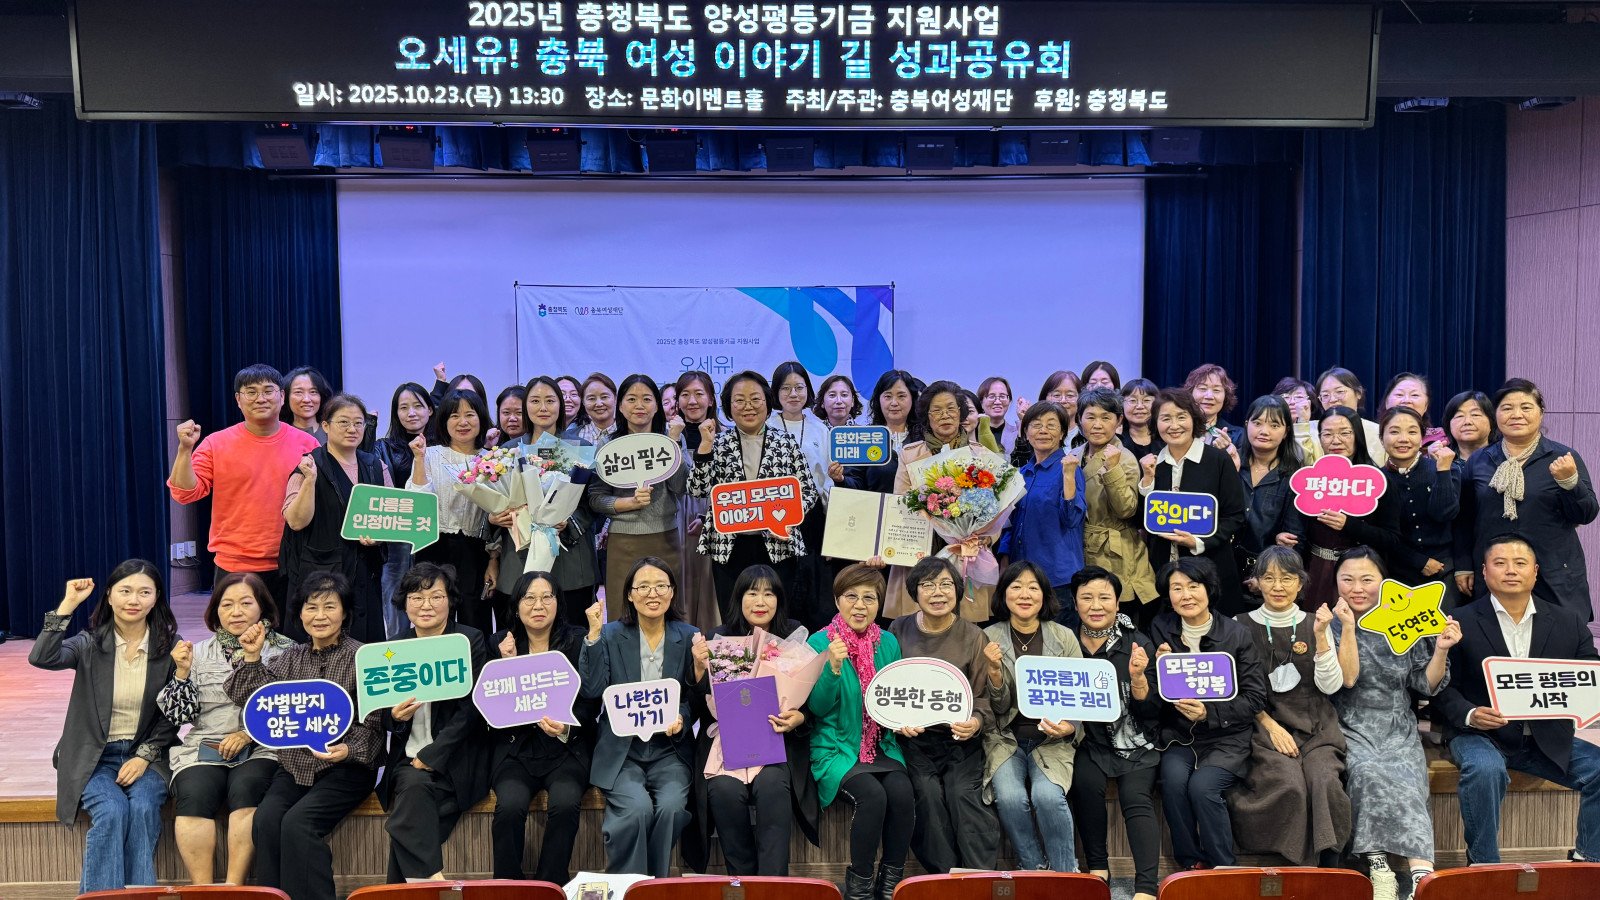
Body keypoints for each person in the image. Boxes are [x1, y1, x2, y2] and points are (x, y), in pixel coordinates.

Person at [1434, 536, 1600, 864]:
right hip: (1480, 735)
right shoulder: (1457, 620)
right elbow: (1439, 687)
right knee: (1485, 769)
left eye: (1520, 563)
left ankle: (1587, 861)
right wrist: (1470, 713)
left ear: (1535, 572)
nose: (1511, 570)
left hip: (1545, 738)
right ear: (1484, 572)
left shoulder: (1569, 622)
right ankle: (1484, 866)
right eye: (1500, 563)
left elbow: (1589, 675)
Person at [226, 571, 385, 900]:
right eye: (311, 607)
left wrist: (347, 750)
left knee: (299, 824)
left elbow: (375, 724)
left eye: (330, 607)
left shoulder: (363, 658)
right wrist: (252, 656)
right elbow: (250, 700)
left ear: (345, 613)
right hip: (295, 766)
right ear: (299, 614)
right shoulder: (289, 657)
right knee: (267, 820)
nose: (320, 616)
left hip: (346, 769)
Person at [30, 560, 179, 893]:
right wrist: (68, 604)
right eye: (125, 591)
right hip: (93, 757)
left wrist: (143, 756)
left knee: (143, 808)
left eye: (144, 592)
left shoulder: (169, 646)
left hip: (149, 756)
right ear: (109, 595)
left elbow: (172, 714)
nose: (134, 600)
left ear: (156, 598)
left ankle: (139, 897)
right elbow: (42, 657)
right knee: (111, 810)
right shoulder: (90, 643)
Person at [1329, 547, 1459, 900]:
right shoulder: (1329, 623)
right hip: (1347, 722)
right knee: (1365, 772)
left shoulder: (1406, 620)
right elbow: (1342, 682)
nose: (1357, 588)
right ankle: (1378, 867)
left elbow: (1425, 685)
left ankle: (1422, 875)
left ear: (1384, 582)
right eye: (1348, 579)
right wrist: (1347, 628)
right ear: (1336, 581)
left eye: (1367, 579)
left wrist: (1441, 649)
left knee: (1409, 776)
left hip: (1397, 721)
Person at [158, 573, 294, 885]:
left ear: (262, 606)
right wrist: (181, 673)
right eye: (227, 604)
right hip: (206, 745)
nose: (236, 612)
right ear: (215, 610)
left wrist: (248, 734)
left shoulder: (287, 651)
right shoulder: (197, 651)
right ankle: (204, 890)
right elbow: (179, 716)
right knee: (193, 793)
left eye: (246, 603)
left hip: (264, 746)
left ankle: (234, 887)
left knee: (247, 787)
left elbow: (290, 709)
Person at [1226, 548, 1353, 866]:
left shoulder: (1315, 622)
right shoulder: (1239, 625)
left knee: (1325, 781)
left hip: (1317, 725)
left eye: (1287, 578)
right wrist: (1269, 725)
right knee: (1288, 783)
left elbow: (1331, 686)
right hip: (1263, 725)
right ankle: (1284, 867)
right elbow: (1235, 690)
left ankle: (1329, 870)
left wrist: (1321, 637)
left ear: (1300, 582)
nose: (1278, 586)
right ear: (1257, 583)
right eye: (1269, 578)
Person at [688, 565, 817, 875]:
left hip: (775, 741)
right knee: (723, 791)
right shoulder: (718, 637)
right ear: (738, 598)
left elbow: (812, 697)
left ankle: (773, 883)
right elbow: (695, 707)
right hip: (726, 744)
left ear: (779, 599)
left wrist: (799, 717)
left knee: (773, 786)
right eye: (752, 593)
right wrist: (699, 670)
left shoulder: (793, 636)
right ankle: (743, 879)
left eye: (769, 594)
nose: (760, 602)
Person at [578, 558, 699, 876]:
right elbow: (592, 689)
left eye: (661, 586)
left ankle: (652, 884)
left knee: (672, 808)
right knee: (636, 810)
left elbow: (693, 698)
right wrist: (593, 636)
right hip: (622, 751)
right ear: (630, 595)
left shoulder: (689, 636)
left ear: (672, 592)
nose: (652, 593)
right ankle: (631, 885)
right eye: (643, 586)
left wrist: (682, 718)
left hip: (669, 750)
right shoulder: (609, 634)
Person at [1147, 557, 1268, 871]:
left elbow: (1255, 698)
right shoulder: (1161, 628)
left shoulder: (1237, 634)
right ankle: (1191, 864)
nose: (1186, 595)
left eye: (1193, 586)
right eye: (1176, 588)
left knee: (1203, 788)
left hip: (1227, 737)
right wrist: (1155, 669)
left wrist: (1209, 712)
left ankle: (1223, 867)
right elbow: (1153, 691)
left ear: (1208, 589)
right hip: (1179, 735)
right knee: (1173, 783)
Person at [169, 363, 321, 605]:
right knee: (237, 629)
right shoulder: (216, 443)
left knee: (291, 631)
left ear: (282, 397)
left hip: (293, 560)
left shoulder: (308, 444)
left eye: (268, 391)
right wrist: (184, 449)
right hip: (234, 564)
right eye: (251, 392)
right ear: (238, 400)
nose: (260, 398)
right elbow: (185, 493)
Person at [378, 563, 490, 882]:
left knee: (409, 817)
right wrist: (395, 717)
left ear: (450, 600)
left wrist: (433, 755)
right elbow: (381, 713)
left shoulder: (468, 640)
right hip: (408, 760)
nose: (426, 605)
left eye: (436, 596)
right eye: (416, 597)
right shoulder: (393, 647)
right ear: (404, 603)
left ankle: (414, 887)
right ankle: (433, 882)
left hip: (456, 759)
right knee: (413, 790)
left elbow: (472, 709)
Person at [807, 564, 913, 900]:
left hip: (882, 745)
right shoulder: (819, 641)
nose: (860, 605)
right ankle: (860, 888)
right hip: (836, 747)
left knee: (902, 793)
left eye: (869, 598)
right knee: (873, 796)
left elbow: (894, 698)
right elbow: (817, 709)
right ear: (837, 600)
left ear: (879, 604)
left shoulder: (889, 642)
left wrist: (905, 721)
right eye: (851, 596)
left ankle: (890, 885)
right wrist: (833, 668)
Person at [889, 557, 1001, 872]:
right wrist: (897, 720)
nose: (938, 593)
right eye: (928, 585)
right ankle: (944, 877)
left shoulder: (974, 636)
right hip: (914, 740)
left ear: (957, 590)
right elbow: (887, 685)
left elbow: (982, 696)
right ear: (915, 592)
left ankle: (979, 876)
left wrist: (975, 722)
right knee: (925, 794)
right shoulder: (898, 629)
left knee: (962, 794)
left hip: (960, 739)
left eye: (946, 585)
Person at [1457, 378, 1597, 621]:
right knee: (1494, 636)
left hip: (1553, 571)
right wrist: (1463, 565)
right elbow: (1464, 519)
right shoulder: (1479, 460)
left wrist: (1569, 482)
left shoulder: (1563, 456)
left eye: (1526, 407)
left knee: (1559, 636)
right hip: (1496, 570)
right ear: (1496, 415)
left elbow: (1586, 514)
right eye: (1507, 408)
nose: (1516, 415)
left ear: (1540, 413)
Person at [488, 570, 595, 883]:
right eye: (529, 598)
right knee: (509, 807)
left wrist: (566, 726)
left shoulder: (578, 640)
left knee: (565, 803)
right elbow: (489, 705)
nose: (538, 605)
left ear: (558, 603)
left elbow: (591, 700)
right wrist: (506, 665)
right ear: (516, 606)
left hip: (566, 747)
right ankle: (507, 886)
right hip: (516, 748)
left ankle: (551, 883)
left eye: (547, 597)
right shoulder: (501, 642)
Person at [687, 370, 820, 620]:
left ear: (768, 403)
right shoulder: (717, 443)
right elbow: (697, 489)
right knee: (734, 618)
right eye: (739, 400)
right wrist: (704, 447)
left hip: (777, 543)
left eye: (755, 399)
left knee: (776, 618)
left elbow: (808, 491)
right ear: (728, 406)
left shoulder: (786, 443)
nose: (748, 406)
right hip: (731, 546)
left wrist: (788, 519)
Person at [980, 562, 1083, 872]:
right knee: (1010, 797)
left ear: (1044, 595)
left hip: (1052, 740)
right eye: (1016, 587)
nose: (1024, 594)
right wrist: (994, 672)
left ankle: (1066, 875)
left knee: (1047, 797)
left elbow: (1081, 695)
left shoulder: (1064, 636)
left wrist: (1069, 726)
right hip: (1005, 739)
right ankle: (1035, 870)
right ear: (1003, 594)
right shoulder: (988, 637)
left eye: (1033, 588)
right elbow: (997, 709)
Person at [1066, 567, 1161, 900]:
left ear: (1117, 603)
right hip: (1089, 741)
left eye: (1105, 598)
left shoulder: (1138, 642)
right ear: (1075, 603)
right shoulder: (1065, 642)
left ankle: (1146, 886)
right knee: (1084, 785)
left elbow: (1152, 710)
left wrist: (1138, 679)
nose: (1096, 605)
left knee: (1135, 797)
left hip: (1135, 740)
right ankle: (1098, 870)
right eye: (1087, 598)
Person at [281, 392, 391, 643]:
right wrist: (310, 481)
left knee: (365, 645)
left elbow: (389, 518)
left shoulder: (376, 466)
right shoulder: (308, 465)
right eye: (344, 422)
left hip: (365, 573)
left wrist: (379, 537)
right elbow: (296, 521)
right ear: (326, 426)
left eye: (359, 423)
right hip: (320, 573)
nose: (352, 429)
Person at [496, 375, 599, 631]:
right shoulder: (508, 450)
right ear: (525, 406)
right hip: (520, 555)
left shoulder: (581, 447)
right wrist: (496, 516)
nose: (543, 408)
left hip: (570, 558)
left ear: (560, 405)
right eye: (535, 401)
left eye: (550, 401)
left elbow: (594, 502)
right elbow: (496, 498)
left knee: (574, 632)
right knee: (521, 635)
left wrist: (568, 522)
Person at [886, 380, 997, 619]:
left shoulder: (981, 455)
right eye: (936, 410)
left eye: (951, 408)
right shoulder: (910, 455)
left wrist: (983, 537)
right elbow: (900, 504)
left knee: (965, 626)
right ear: (927, 416)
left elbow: (996, 506)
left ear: (961, 412)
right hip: (921, 550)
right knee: (919, 624)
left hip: (967, 553)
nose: (945, 415)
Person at [1136, 389, 1248, 622]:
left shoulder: (1218, 460)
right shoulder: (1152, 462)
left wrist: (1198, 542)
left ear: (1194, 419)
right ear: (1155, 423)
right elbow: (1141, 519)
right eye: (1165, 418)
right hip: (1163, 571)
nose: (1174, 425)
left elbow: (1235, 516)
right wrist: (1147, 482)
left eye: (1181, 417)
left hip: (1212, 568)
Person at [1282, 406, 1404, 612]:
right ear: (1319, 438)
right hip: (1314, 571)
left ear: (1357, 436)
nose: (1336, 440)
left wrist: (1349, 525)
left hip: (1361, 575)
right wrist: (1285, 541)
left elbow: (1392, 540)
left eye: (1345, 433)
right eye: (1327, 434)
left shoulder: (1378, 480)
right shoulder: (1309, 479)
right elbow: (1296, 532)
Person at [590, 374, 688, 620]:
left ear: (657, 406)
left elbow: (680, 487)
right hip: (623, 541)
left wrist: (673, 443)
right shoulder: (608, 445)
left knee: (669, 614)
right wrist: (628, 503)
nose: (639, 406)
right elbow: (596, 498)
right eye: (631, 399)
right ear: (620, 406)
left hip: (665, 538)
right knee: (623, 615)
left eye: (647, 399)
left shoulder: (672, 437)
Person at [407, 388, 496, 631]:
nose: (462, 422)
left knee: (474, 620)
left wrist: (493, 559)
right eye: (454, 416)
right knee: (432, 619)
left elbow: (498, 517)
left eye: (470, 415)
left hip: (476, 552)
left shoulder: (492, 459)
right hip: (433, 547)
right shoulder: (429, 454)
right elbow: (417, 501)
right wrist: (418, 459)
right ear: (444, 421)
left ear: (481, 418)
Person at [998, 400, 1087, 622]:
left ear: (1062, 433)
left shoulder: (1069, 469)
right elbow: (1010, 522)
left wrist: (1068, 476)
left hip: (1057, 577)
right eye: (1036, 425)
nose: (1043, 430)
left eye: (1051, 425)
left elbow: (1072, 519)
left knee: (1058, 640)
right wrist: (1005, 559)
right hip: (1021, 575)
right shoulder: (1022, 473)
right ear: (1026, 433)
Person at [1074, 388, 1156, 611]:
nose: (1097, 425)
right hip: (1081, 546)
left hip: (1116, 551)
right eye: (1090, 417)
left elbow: (1126, 510)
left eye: (1106, 417)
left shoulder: (1126, 458)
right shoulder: (1075, 455)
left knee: (1115, 610)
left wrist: (1112, 470)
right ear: (1079, 419)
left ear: (1119, 421)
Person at [769, 361, 836, 630]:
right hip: (777, 516)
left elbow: (828, 479)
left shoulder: (821, 429)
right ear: (776, 392)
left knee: (814, 587)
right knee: (783, 582)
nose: (793, 394)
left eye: (799, 387)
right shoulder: (766, 426)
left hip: (813, 517)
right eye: (786, 388)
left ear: (808, 390)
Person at [1378, 407, 1461, 599]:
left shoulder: (1446, 468)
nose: (1403, 439)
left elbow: (1444, 513)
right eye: (1394, 432)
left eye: (1412, 432)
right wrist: (1418, 561)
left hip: (1444, 568)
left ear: (1422, 437)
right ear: (1381, 438)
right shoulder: (1377, 479)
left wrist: (1443, 471)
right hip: (1396, 571)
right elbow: (1381, 535)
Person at [375, 382, 435, 637]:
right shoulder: (383, 447)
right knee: (395, 600)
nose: (411, 413)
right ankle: (397, 649)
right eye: (403, 407)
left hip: (433, 535)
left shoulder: (442, 447)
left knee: (433, 597)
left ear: (430, 410)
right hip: (396, 539)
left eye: (418, 406)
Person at [673, 370, 724, 633]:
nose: (692, 401)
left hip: (714, 517)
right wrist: (672, 439)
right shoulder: (668, 437)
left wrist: (709, 518)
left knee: (711, 584)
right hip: (675, 518)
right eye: (685, 394)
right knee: (679, 580)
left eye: (699, 394)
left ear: (711, 399)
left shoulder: (726, 437)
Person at [1238, 396, 1304, 590]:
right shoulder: (1230, 463)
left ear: (1286, 432)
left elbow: (1295, 537)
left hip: (1268, 573)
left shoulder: (1295, 476)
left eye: (1274, 425)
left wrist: (1267, 576)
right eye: (1257, 423)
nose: (1264, 431)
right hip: (1224, 567)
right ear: (1247, 425)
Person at [842, 369, 920, 495]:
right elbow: (855, 484)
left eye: (901, 396)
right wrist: (841, 479)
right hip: (875, 506)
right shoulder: (865, 437)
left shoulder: (923, 438)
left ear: (912, 398)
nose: (894, 403)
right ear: (879, 400)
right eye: (888, 396)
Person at [1315, 367, 1386, 466]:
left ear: (1358, 393)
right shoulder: (1311, 431)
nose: (1332, 399)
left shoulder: (1378, 432)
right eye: (1325, 395)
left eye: (1339, 392)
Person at [1011, 371, 1081, 466]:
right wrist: (1025, 422)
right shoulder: (1035, 433)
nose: (1063, 400)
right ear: (1045, 398)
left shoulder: (1087, 435)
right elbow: (1017, 467)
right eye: (1056, 395)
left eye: (1070, 395)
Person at [1184, 363, 1246, 450]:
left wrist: (1224, 454)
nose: (1209, 396)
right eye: (1203, 388)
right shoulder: (1177, 429)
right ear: (1190, 393)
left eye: (1216, 390)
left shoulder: (1239, 436)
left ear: (1225, 397)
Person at [1274, 376, 1323, 464]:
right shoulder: (1272, 430)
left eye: (1299, 397)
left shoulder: (1319, 428)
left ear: (1310, 402)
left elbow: (1306, 464)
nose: (1292, 402)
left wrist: (1302, 422)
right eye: (1286, 397)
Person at [567, 372, 620, 448]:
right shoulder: (569, 438)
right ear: (583, 402)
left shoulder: (629, 434)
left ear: (615, 398)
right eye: (591, 398)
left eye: (604, 397)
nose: (599, 404)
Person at [282, 365, 333, 444]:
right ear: (285, 396)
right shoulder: (280, 435)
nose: (306, 399)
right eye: (298, 392)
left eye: (313, 392)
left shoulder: (333, 433)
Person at [1443, 389, 1495, 461]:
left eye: (1475, 415)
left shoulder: (1505, 460)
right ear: (1449, 425)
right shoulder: (1440, 460)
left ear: (1491, 422)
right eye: (1459, 416)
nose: (1467, 422)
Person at [1119, 378, 1162, 460]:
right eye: (1133, 400)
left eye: (1146, 400)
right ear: (1122, 404)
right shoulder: (1116, 440)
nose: (1140, 406)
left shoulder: (1165, 437)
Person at [978, 376, 1021, 451]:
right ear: (981, 402)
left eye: (1002, 396)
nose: (997, 402)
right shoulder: (972, 433)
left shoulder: (1018, 433)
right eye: (991, 396)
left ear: (1009, 401)